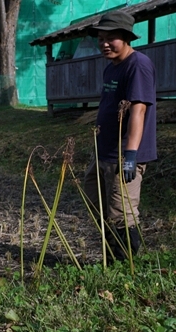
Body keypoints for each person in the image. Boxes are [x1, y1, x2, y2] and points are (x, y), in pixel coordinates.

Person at [84, 10, 157, 262]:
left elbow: (138, 111)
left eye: (110, 38)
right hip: (103, 152)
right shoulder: (111, 68)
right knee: (95, 204)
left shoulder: (138, 65)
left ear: (126, 38)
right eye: (100, 38)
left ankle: (125, 265)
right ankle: (110, 257)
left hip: (122, 157)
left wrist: (131, 155)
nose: (104, 43)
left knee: (120, 213)